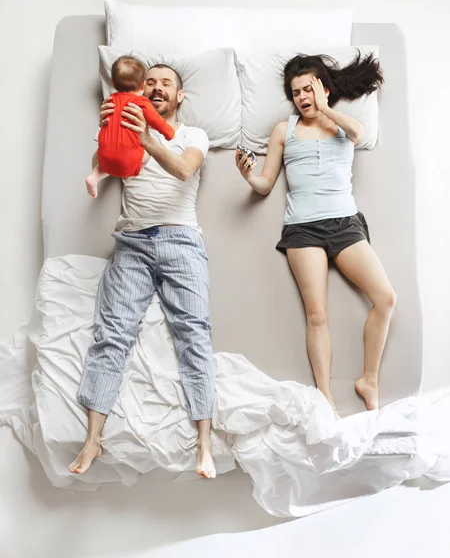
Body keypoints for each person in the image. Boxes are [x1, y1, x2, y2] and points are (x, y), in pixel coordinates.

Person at [70, 64, 216, 479]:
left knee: (194, 333)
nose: (156, 88)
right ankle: (93, 440)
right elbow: (105, 162)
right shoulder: (128, 119)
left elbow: (185, 169)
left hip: (181, 240)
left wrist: (146, 138)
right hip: (132, 242)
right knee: (111, 335)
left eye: (165, 83)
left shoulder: (192, 136)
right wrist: (109, 128)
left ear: (179, 96)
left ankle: (205, 444)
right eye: (150, 81)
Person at [236, 52, 396, 413]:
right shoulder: (284, 130)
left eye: (308, 89)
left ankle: (368, 379)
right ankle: (324, 394)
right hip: (302, 230)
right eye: (296, 93)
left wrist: (325, 109)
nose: (303, 97)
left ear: (323, 89)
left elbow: (357, 133)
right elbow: (264, 185)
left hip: (345, 224)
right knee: (317, 315)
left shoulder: (344, 124)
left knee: (385, 298)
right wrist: (248, 174)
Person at [85, 55, 175, 198]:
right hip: (128, 160)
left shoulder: (109, 101)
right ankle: (135, 171)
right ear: (142, 86)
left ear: (113, 83)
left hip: (106, 156)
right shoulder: (141, 102)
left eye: (166, 84)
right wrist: (169, 133)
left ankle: (94, 177)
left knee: (104, 163)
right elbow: (157, 121)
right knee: (147, 155)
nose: (158, 87)